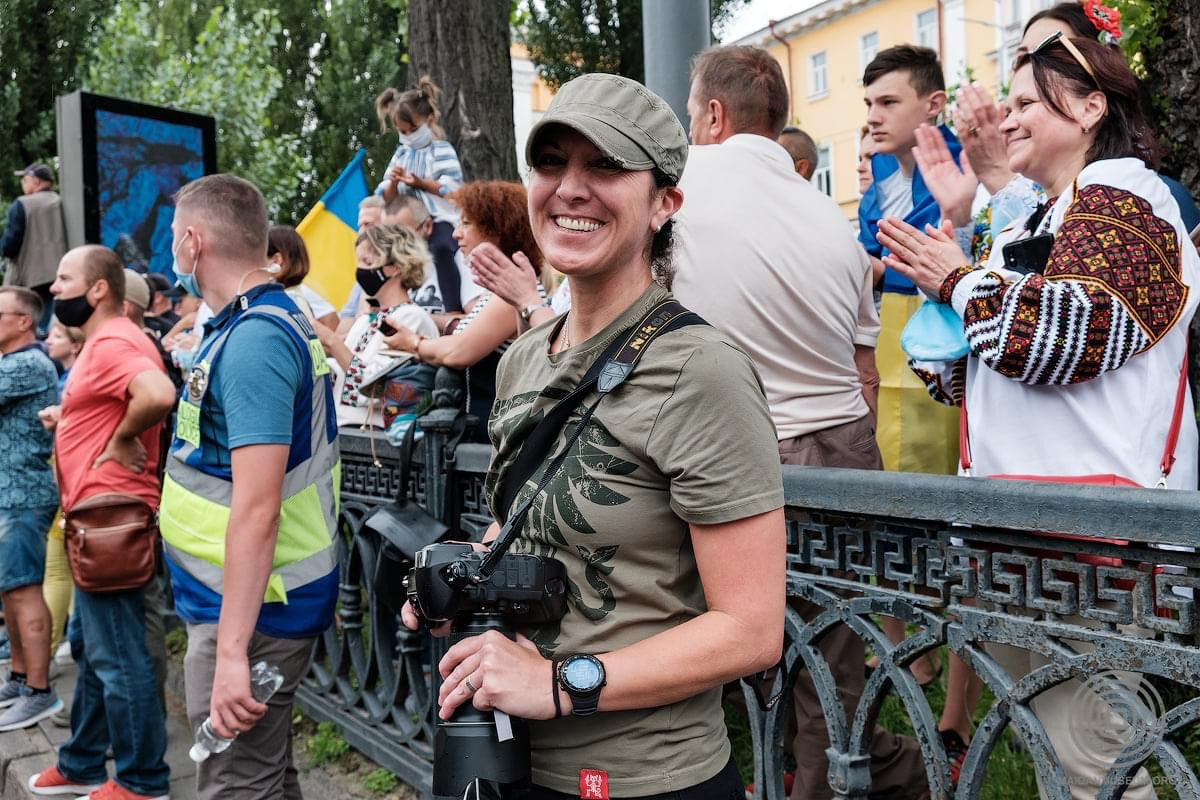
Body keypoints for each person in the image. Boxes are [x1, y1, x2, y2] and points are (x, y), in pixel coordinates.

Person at [402, 71, 785, 800]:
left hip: (645, 776)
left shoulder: (701, 370)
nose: (571, 188)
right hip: (509, 754)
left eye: (606, 166)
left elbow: (751, 628)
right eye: (552, 164)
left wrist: (557, 681)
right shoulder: (521, 356)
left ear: (664, 204)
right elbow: (521, 521)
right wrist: (463, 577)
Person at [879, 34, 1196, 800]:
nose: (1009, 118)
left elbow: (1068, 336)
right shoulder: (1044, 216)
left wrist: (957, 285)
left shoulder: (1129, 195)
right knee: (1059, 752)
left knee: (1093, 761)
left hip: (1091, 534)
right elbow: (975, 375)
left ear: (1092, 107)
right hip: (1031, 527)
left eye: (1026, 102)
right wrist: (948, 304)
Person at [674, 45, 927, 800]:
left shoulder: (680, 187)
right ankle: (863, 778)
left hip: (736, 450)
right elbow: (863, 373)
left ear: (713, 115)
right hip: (841, 448)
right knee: (830, 658)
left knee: (706, 643)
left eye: (692, 115)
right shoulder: (830, 216)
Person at [157, 174, 339, 800]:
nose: (170, 251)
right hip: (255, 598)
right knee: (263, 775)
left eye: (171, 239)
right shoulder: (257, 321)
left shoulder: (256, 337)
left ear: (192, 242)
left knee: (236, 786)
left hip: (256, 608)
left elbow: (257, 509)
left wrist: (232, 652)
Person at [29, 245, 175, 800]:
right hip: (96, 521)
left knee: (119, 658)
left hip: (111, 523)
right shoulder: (105, 341)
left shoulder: (114, 339)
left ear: (98, 290)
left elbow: (157, 394)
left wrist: (118, 440)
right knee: (95, 652)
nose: (55, 289)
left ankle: (142, 781)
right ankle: (83, 761)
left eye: (65, 279)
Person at [858, 45, 962, 476]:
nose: (872, 117)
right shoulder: (877, 177)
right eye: (869, 104)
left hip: (947, 347)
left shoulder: (961, 172)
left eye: (888, 102)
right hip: (883, 343)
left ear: (933, 104)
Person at [379, 181, 547, 438]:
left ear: (498, 229)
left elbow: (459, 351)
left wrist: (412, 342)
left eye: (466, 224)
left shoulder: (511, 292)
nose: (456, 234)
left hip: (488, 445)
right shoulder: (500, 290)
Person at [0, 287, 62, 731]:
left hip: (23, 496)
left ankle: (39, 691)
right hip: (9, 495)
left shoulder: (28, 363)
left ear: (24, 320)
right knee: (10, 591)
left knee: (24, 591)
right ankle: (20, 676)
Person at [313, 223, 437, 429]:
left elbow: (374, 385)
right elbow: (347, 374)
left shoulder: (410, 318)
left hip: (378, 439)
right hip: (345, 434)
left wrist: (332, 341)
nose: (360, 270)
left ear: (395, 267)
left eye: (367, 262)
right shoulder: (365, 320)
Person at [376, 77, 466, 312]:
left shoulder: (441, 150)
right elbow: (384, 195)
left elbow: (452, 190)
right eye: (402, 131)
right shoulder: (401, 154)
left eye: (413, 129)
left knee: (442, 248)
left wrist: (421, 183)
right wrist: (394, 183)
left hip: (438, 219)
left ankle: (453, 306)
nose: (408, 136)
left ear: (429, 120)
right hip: (405, 223)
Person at [379, 193, 485, 323]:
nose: (394, 245)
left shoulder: (457, 256)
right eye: (388, 237)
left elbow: (476, 322)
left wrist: (414, 317)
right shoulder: (395, 269)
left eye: (403, 236)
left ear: (427, 226)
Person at [2, 163, 67, 335]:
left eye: (24, 180)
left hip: (30, 278)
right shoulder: (61, 201)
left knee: (32, 326)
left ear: (36, 182)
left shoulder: (22, 204)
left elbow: (9, 245)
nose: (22, 184)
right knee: (53, 325)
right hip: (60, 275)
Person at [267, 224, 339, 327]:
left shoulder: (289, 299)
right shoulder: (300, 293)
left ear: (276, 260)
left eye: (260, 256)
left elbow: (332, 321)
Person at [47, 321, 85, 396]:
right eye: (49, 336)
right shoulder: (64, 374)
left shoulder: (76, 379)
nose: (48, 341)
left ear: (76, 346)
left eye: (57, 336)